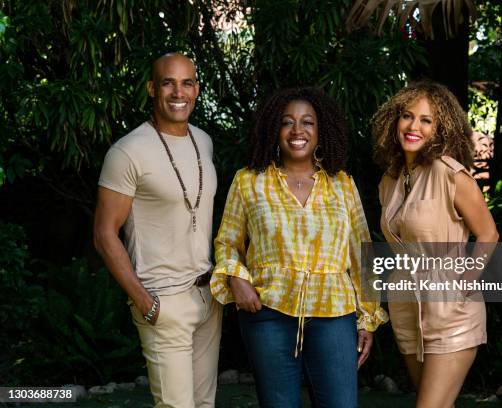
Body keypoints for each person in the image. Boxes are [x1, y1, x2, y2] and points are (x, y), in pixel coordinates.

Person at [210, 87, 388, 407]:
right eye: (287, 122)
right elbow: (227, 241)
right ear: (273, 130)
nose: (297, 131)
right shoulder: (249, 180)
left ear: (321, 132)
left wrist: (367, 318)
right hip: (268, 311)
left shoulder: (342, 184)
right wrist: (237, 278)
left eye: (307, 122)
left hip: (333, 312)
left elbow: (362, 253)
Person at [93, 53, 221, 408]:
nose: (178, 92)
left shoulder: (203, 141)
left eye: (187, 83)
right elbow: (104, 234)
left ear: (196, 89)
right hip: (163, 301)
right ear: (152, 88)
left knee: (204, 405)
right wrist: (145, 302)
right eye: (168, 82)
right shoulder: (128, 152)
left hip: (207, 298)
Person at [372, 81, 499, 408]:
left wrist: (465, 282)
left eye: (426, 120)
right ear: (394, 121)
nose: (414, 126)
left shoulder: (451, 174)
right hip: (404, 305)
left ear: (441, 128)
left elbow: (488, 234)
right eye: (407, 116)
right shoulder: (389, 180)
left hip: (450, 311)